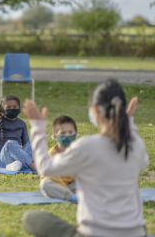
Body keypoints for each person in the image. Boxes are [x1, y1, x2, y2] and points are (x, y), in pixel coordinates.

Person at [23, 79, 149, 237]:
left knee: (31, 218)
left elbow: (45, 167)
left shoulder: (87, 146)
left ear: (95, 110)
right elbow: (143, 163)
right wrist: (129, 124)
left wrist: (37, 127)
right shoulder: (136, 145)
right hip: (136, 233)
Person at [0, 94, 35, 171]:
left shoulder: (22, 124)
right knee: (11, 143)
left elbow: (26, 144)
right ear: (3, 109)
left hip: (18, 157)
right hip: (2, 160)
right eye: (8, 107)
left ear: (19, 108)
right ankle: (32, 165)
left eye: (15, 107)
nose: (12, 109)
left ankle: (17, 165)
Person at [40, 115, 78, 203]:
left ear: (75, 134)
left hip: (72, 185)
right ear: (55, 136)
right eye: (63, 133)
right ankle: (72, 197)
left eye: (70, 132)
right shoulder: (51, 154)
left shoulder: (77, 152)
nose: (67, 136)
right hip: (57, 186)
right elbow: (46, 176)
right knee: (45, 184)